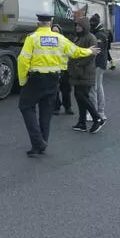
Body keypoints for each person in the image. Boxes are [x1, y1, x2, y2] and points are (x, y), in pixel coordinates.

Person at [17, 13, 100, 156]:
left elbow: (23, 60)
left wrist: (23, 81)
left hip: (36, 79)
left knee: (25, 107)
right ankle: (41, 145)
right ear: (51, 23)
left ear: (38, 24)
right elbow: (75, 52)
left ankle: (38, 142)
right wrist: (90, 51)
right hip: (54, 79)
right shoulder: (60, 38)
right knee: (46, 112)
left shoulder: (32, 38)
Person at [68, 17, 105, 133]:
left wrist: (77, 65)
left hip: (85, 73)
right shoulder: (78, 37)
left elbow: (90, 56)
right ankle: (82, 122)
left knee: (82, 96)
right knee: (79, 98)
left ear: (84, 26)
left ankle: (97, 118)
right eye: (76, 25)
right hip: (77, 73)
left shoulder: (91, 38)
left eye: (79, 25)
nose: (77, 27)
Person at [89, 13, 109, 121]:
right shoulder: (102, 32)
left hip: (97, 64)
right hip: (101, 64)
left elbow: (96, 51)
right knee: (99, 87)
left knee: (93, 88)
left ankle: (95, 113)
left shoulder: (99, 35)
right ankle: (100, 111)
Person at [50, 24, 73, 115]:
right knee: (55, 90)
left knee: (66, 90)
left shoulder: (65, 42)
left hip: (65, 70)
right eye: (53, 31)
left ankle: (68, 107)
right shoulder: (48, 43)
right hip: (53, 70)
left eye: (57, 31)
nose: (55, 33)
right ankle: (56, 107)